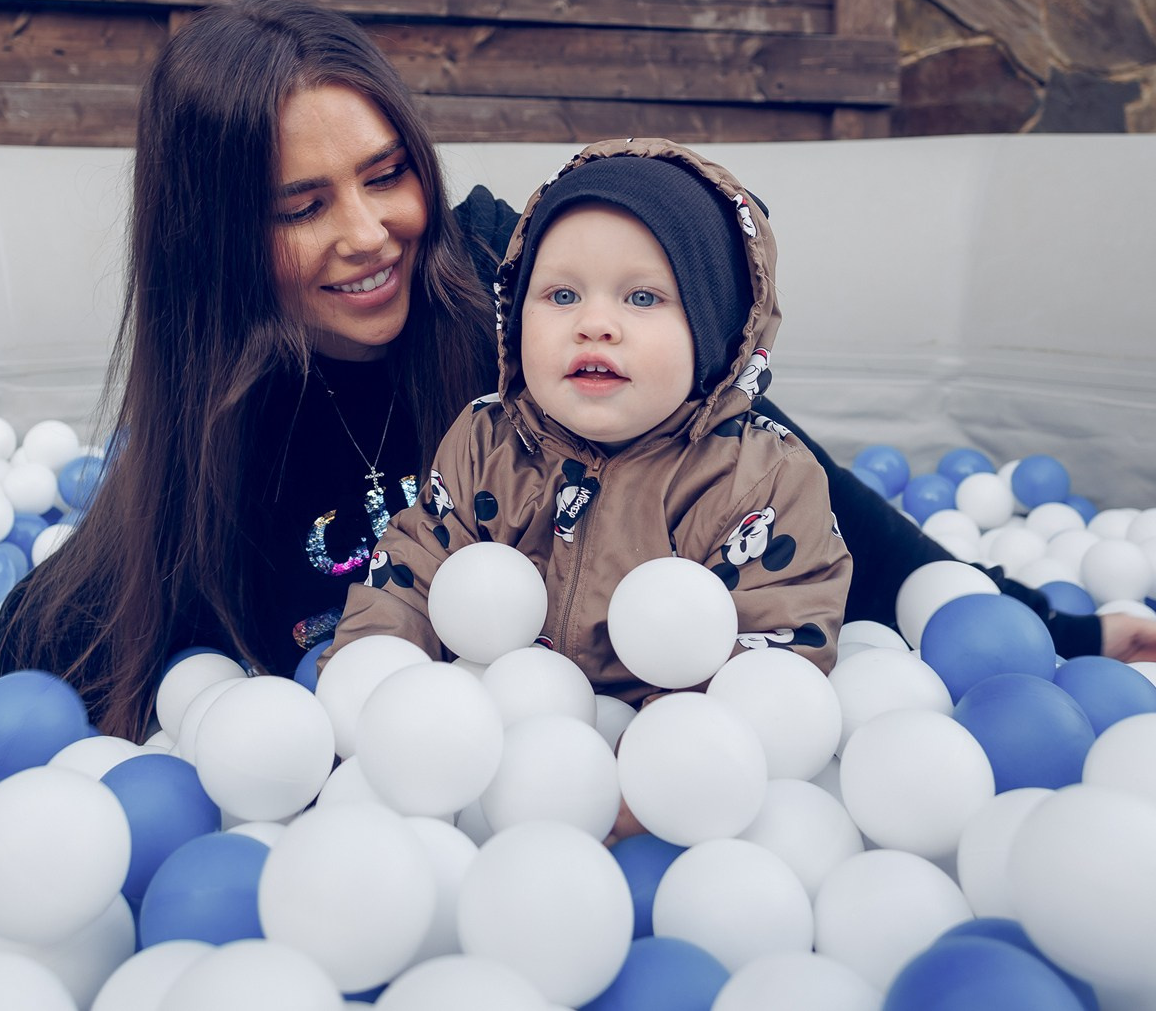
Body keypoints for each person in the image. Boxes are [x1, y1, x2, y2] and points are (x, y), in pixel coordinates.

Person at [0, 0, 1156, 899]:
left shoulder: (508, 296)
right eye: (301, 202)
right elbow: (16, 649)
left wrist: (1041, 626)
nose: (372, 228)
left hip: (682, 808)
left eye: (383, 169)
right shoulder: (228, 457)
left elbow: (776, 462)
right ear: (219, 238)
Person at [327, 140, 850, 695]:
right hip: (505, 720)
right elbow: (411, 576)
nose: (594, 323)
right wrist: (369, 675)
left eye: (643, 298)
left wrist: (655, 748)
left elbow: (777, 647)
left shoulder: (760, 481)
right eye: (561, 294)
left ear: (715, 331)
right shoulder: (487, 442)